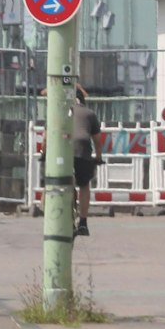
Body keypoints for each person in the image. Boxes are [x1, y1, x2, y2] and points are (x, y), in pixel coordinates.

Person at [69, 86, 101, 238]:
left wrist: (44, 152)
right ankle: (83, 222)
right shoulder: (90, 114)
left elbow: (48, 134)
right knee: (84, 184)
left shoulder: (62, 111)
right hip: (83, 148)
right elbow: (97, 140)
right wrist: (99, 157)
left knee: (60, 180)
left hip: (64, 148)